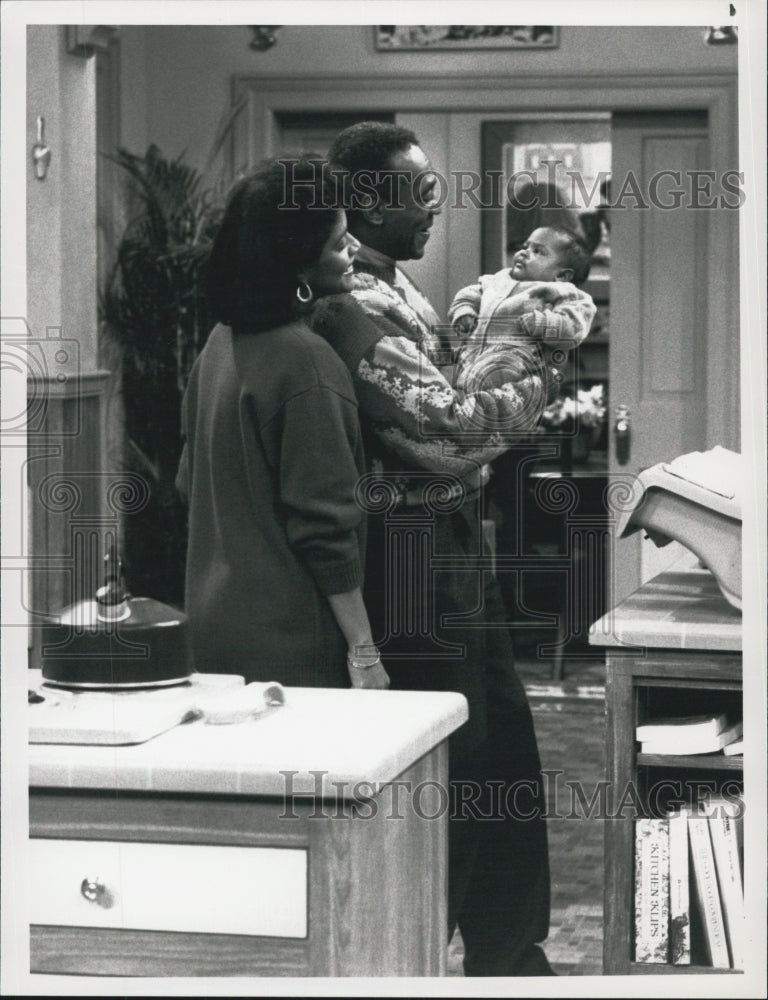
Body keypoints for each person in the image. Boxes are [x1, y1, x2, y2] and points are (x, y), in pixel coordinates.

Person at [311, 122, 556, 976]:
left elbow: (458, 402)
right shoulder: (353, 306)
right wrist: (538, 372)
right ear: (365, 205)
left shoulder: (399, 289)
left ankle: (510, 952)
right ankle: (419, 954)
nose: (432, 211)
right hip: (408, 550)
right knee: (449, 760)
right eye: (418, 197)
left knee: (504, 742)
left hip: (450, 537)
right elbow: (450, 433)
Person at [175, 157, 389, 691]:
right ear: (296, 260)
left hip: (211, 630)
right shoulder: (307, 362)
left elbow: (186, 485)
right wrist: (364, 651)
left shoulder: (218, 343)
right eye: (341, 242)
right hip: (291, 645)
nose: (355, 250)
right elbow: (325, 531)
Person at [448, 225, 595, 397]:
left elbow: (575, 327)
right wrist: (465, 311)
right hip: (472, 357)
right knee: (447, 375)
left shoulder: (564, 293)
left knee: (485, 395)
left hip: (515, 370)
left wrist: (545, 323)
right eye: (525, 246)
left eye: (538, 251)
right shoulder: (498, 279)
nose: (524, 252)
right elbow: (470, 294)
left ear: (561, 276)